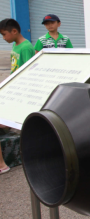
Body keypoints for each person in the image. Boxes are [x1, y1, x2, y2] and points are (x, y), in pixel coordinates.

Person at [0, 18, 36, 175]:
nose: (3, 38)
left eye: (4, 34)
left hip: (23, 88)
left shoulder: (26, 47)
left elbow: (29, 70)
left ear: (14, 31)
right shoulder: (16, 45)